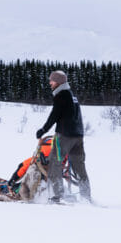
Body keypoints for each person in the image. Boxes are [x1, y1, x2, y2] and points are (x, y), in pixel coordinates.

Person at [36, 70, 91, 204]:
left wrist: (43, 130)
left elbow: (54, 115)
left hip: (65, 136)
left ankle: (56, 197)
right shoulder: (72, 95)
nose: (50, 83)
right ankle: (86, 197)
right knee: (79, 167)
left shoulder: (61, 95)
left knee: (55, 163)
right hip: (78, 136)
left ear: (59, 82)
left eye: (52, 81)